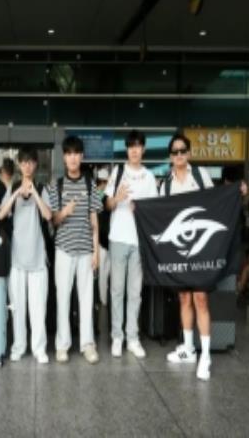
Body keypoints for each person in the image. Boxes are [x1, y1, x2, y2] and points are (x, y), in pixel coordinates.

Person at [160, 133, 215, 381]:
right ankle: (189, 349)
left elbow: (216, 203)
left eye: (183, 151)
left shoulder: (201, 176)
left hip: (200, 246)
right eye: (175, 152)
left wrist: (237, 191)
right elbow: (159, 215)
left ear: (189, 153)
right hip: (179, 248)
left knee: (200, 298)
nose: (179, 155)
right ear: (170, 156)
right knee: (184, 298)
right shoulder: (165, 185)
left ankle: (206, 355)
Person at [48, 136, 102, 364]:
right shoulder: (56, 185)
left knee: (87, 299)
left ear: (81, 156)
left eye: (76, 154)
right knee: (62, 298)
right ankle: (62, 345)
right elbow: (53, 220)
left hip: (86, 250)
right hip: (64, 250)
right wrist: (64, 212)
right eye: (68, 153)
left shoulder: (91, 185)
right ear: (64, 157)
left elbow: (94, 219)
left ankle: (88, 344)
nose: (72, 158)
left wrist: (96, 251)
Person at [105, 130, 158, 359]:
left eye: (138, 146)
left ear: (143, 149)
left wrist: (142, 210)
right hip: (118, 237)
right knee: (117, 290)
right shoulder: (118, 172)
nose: (134, 150)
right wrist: (116, 199)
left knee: (135, 292)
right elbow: (107, 205)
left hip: (139, 241)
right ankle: (117, 336)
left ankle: (132, 337)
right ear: (127, 150)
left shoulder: (149, 177)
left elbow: (155, 210)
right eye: (131, 146)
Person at [0, 146, 52, 364]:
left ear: (35, 165)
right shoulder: (12, 188)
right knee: (18, 307)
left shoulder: (42, 188)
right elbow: (1, 214)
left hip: (38, 258)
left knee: (38, 307)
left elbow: (48, 215)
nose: (27, 166)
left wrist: (34, 193)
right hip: (17, 258)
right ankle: (19, 346)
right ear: (19, 165)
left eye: (31, 162)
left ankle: (39, 348)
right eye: (24, 162)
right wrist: (16, 194)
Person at [96, 167, 111, 306]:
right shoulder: (103, 197)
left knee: (103, 273)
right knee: (104, 273)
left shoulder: (97, 196)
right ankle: (103, 300)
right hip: (102, 240)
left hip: (102, 240)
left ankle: (103, 300)